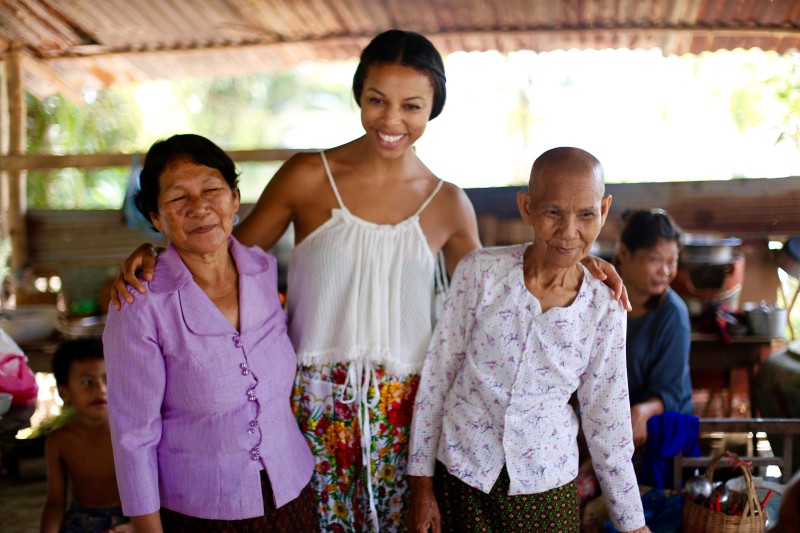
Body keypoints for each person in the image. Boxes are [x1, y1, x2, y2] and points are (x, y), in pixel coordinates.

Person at [110, 31, 628, 532]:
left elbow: (501, 289)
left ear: (433, 109)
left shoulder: (446, 201)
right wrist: (155, 253)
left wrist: (583, 262)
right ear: (359, 94)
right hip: (310, 408)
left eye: (412, 106)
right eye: (378, 100)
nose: (392, 119)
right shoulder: (307, 176)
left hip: (407, 415)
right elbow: (220, 247)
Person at [406, 147, 649, 533]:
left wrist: (634, 525)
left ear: (603, 211)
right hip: (461, 473)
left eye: (585, 214)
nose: (569, 231)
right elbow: (437, 378)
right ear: (527, 208)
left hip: (546, 488)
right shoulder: (480, 273)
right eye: (553, 212)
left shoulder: (605, 307)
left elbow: (609, 422)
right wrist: (421, 487)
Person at [103, 134, 318, 532]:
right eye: (177, 198)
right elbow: (134, 437)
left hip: (293, 494)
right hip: (201, 512)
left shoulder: (262, 270)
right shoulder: (140, 305)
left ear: (235, 199)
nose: (199, 207)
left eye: (212, 189)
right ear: (155, 217)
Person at [614, 209, 693, 447]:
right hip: (610, 423)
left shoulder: (673, 315)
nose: (666, 271)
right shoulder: (600, 303)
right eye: (655, 260)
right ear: (624, 253)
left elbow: (670, 391)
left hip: (659, 429)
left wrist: (644, 411)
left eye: (673, 261)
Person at [40, 337, 132, 533]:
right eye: (87, 382)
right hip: (79, 521)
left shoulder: (133, 434)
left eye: (108, 379)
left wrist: (133, 527)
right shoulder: (59, 441)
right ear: (64, 392)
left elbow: (158, 494)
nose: (101, 389)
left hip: (130, 517)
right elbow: (55, 502)